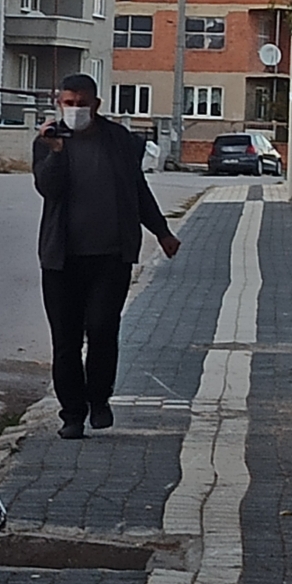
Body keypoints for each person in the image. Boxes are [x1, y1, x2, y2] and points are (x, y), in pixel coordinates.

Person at [33, 73, 180, 440]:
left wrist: (161, 232)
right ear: (58, 102)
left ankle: (99, 400)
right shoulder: (48, 141)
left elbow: (137, 190)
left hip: (110, 257)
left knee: (101, 330)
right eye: (69, 103)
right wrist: (55, 154)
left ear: (96, 104)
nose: (75, 109)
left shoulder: (118, 140)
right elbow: (47, 189)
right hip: (61, 259)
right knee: (65, 340)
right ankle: (72, 413)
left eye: (82, 103)